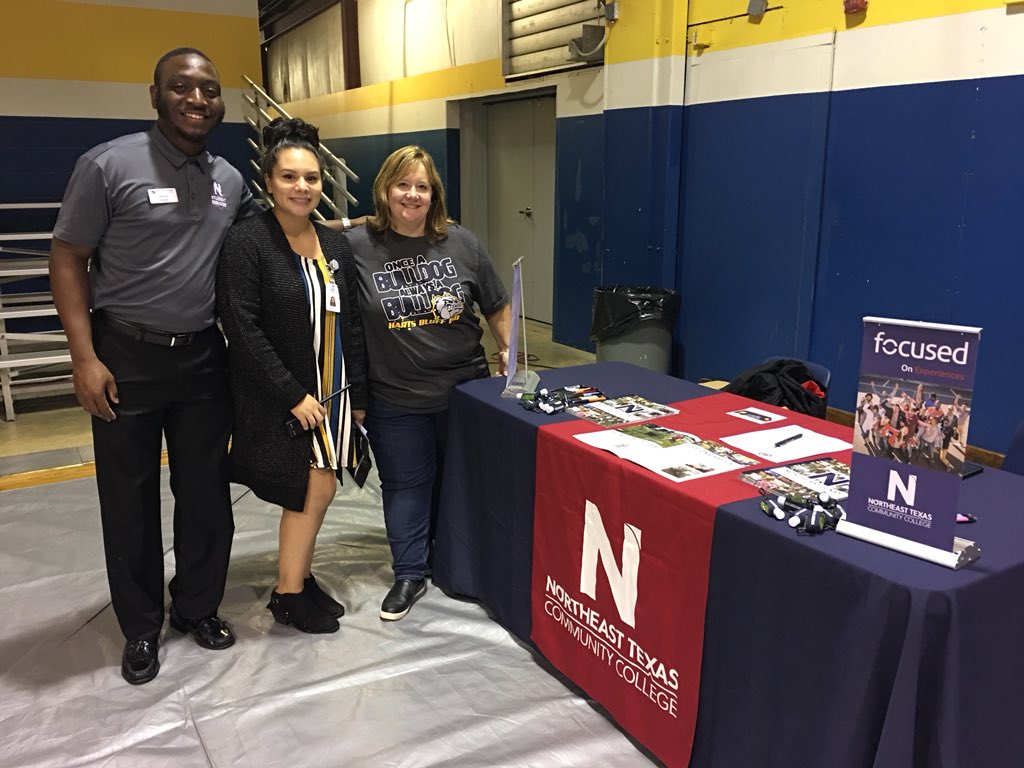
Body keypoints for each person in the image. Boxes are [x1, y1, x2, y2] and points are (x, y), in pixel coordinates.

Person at [49, 48, 262, 685]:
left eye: (209, 90)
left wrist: (356, 227)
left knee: (205, 496)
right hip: (124, 356)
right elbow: (67, 258)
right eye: (182, 87)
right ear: (155, 96)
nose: (197, 99)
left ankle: (196, 606)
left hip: (202, 357)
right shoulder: (108, 165)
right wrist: (84, 358)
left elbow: (274, 236)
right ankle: (141, 625)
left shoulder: (230, 177)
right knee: (129, 499)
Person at [347, 145, 511, 621]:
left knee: (462, 481)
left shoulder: (462, 243)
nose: (412, 195)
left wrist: (508, 350)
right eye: (403, 185)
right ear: (384, 189)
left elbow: (497, 302)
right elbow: (298, 233)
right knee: (406, 485)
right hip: (395, 396)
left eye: (422, 186)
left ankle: (457, 561)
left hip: (466, 392)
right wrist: (345, 224)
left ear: (433, 193)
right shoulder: (358, 248)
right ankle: (409, 573)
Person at [217, 118, 367, 634]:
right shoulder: (248, 242)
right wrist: (291, 394)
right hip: (291, 396)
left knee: (321, 489)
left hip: (336, 390)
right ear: (268, 181)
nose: (302, 187)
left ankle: (296, 578)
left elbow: (352, 324)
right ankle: (288, 592)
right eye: (289, 177)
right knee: (308, 489)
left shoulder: (334, 245)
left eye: (312, 178)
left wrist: (360, 393)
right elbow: (242, 328)